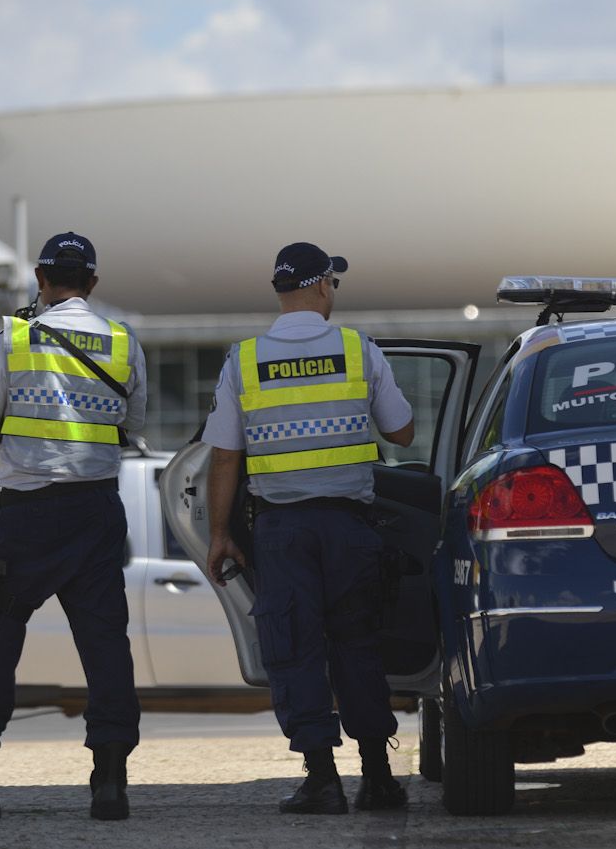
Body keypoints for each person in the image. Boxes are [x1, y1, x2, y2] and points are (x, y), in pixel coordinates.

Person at [0, 231, 147, 823]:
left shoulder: (14, 337)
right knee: (105, 647)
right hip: (95, 512)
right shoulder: (122, 341)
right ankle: (110, 782)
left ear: (40, 279)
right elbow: (129, 427)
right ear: (92, 283)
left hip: (28, 515)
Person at [203, 242, 415, 815]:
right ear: (322, 286)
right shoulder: (358, 349)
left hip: (281, 533)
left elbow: (224, 457)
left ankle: (321, 780)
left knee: (294, 650)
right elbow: (402, 433)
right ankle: (378, 779)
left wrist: (219, 533)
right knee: (358, 648)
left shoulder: (243, 360)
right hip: (350, 527)